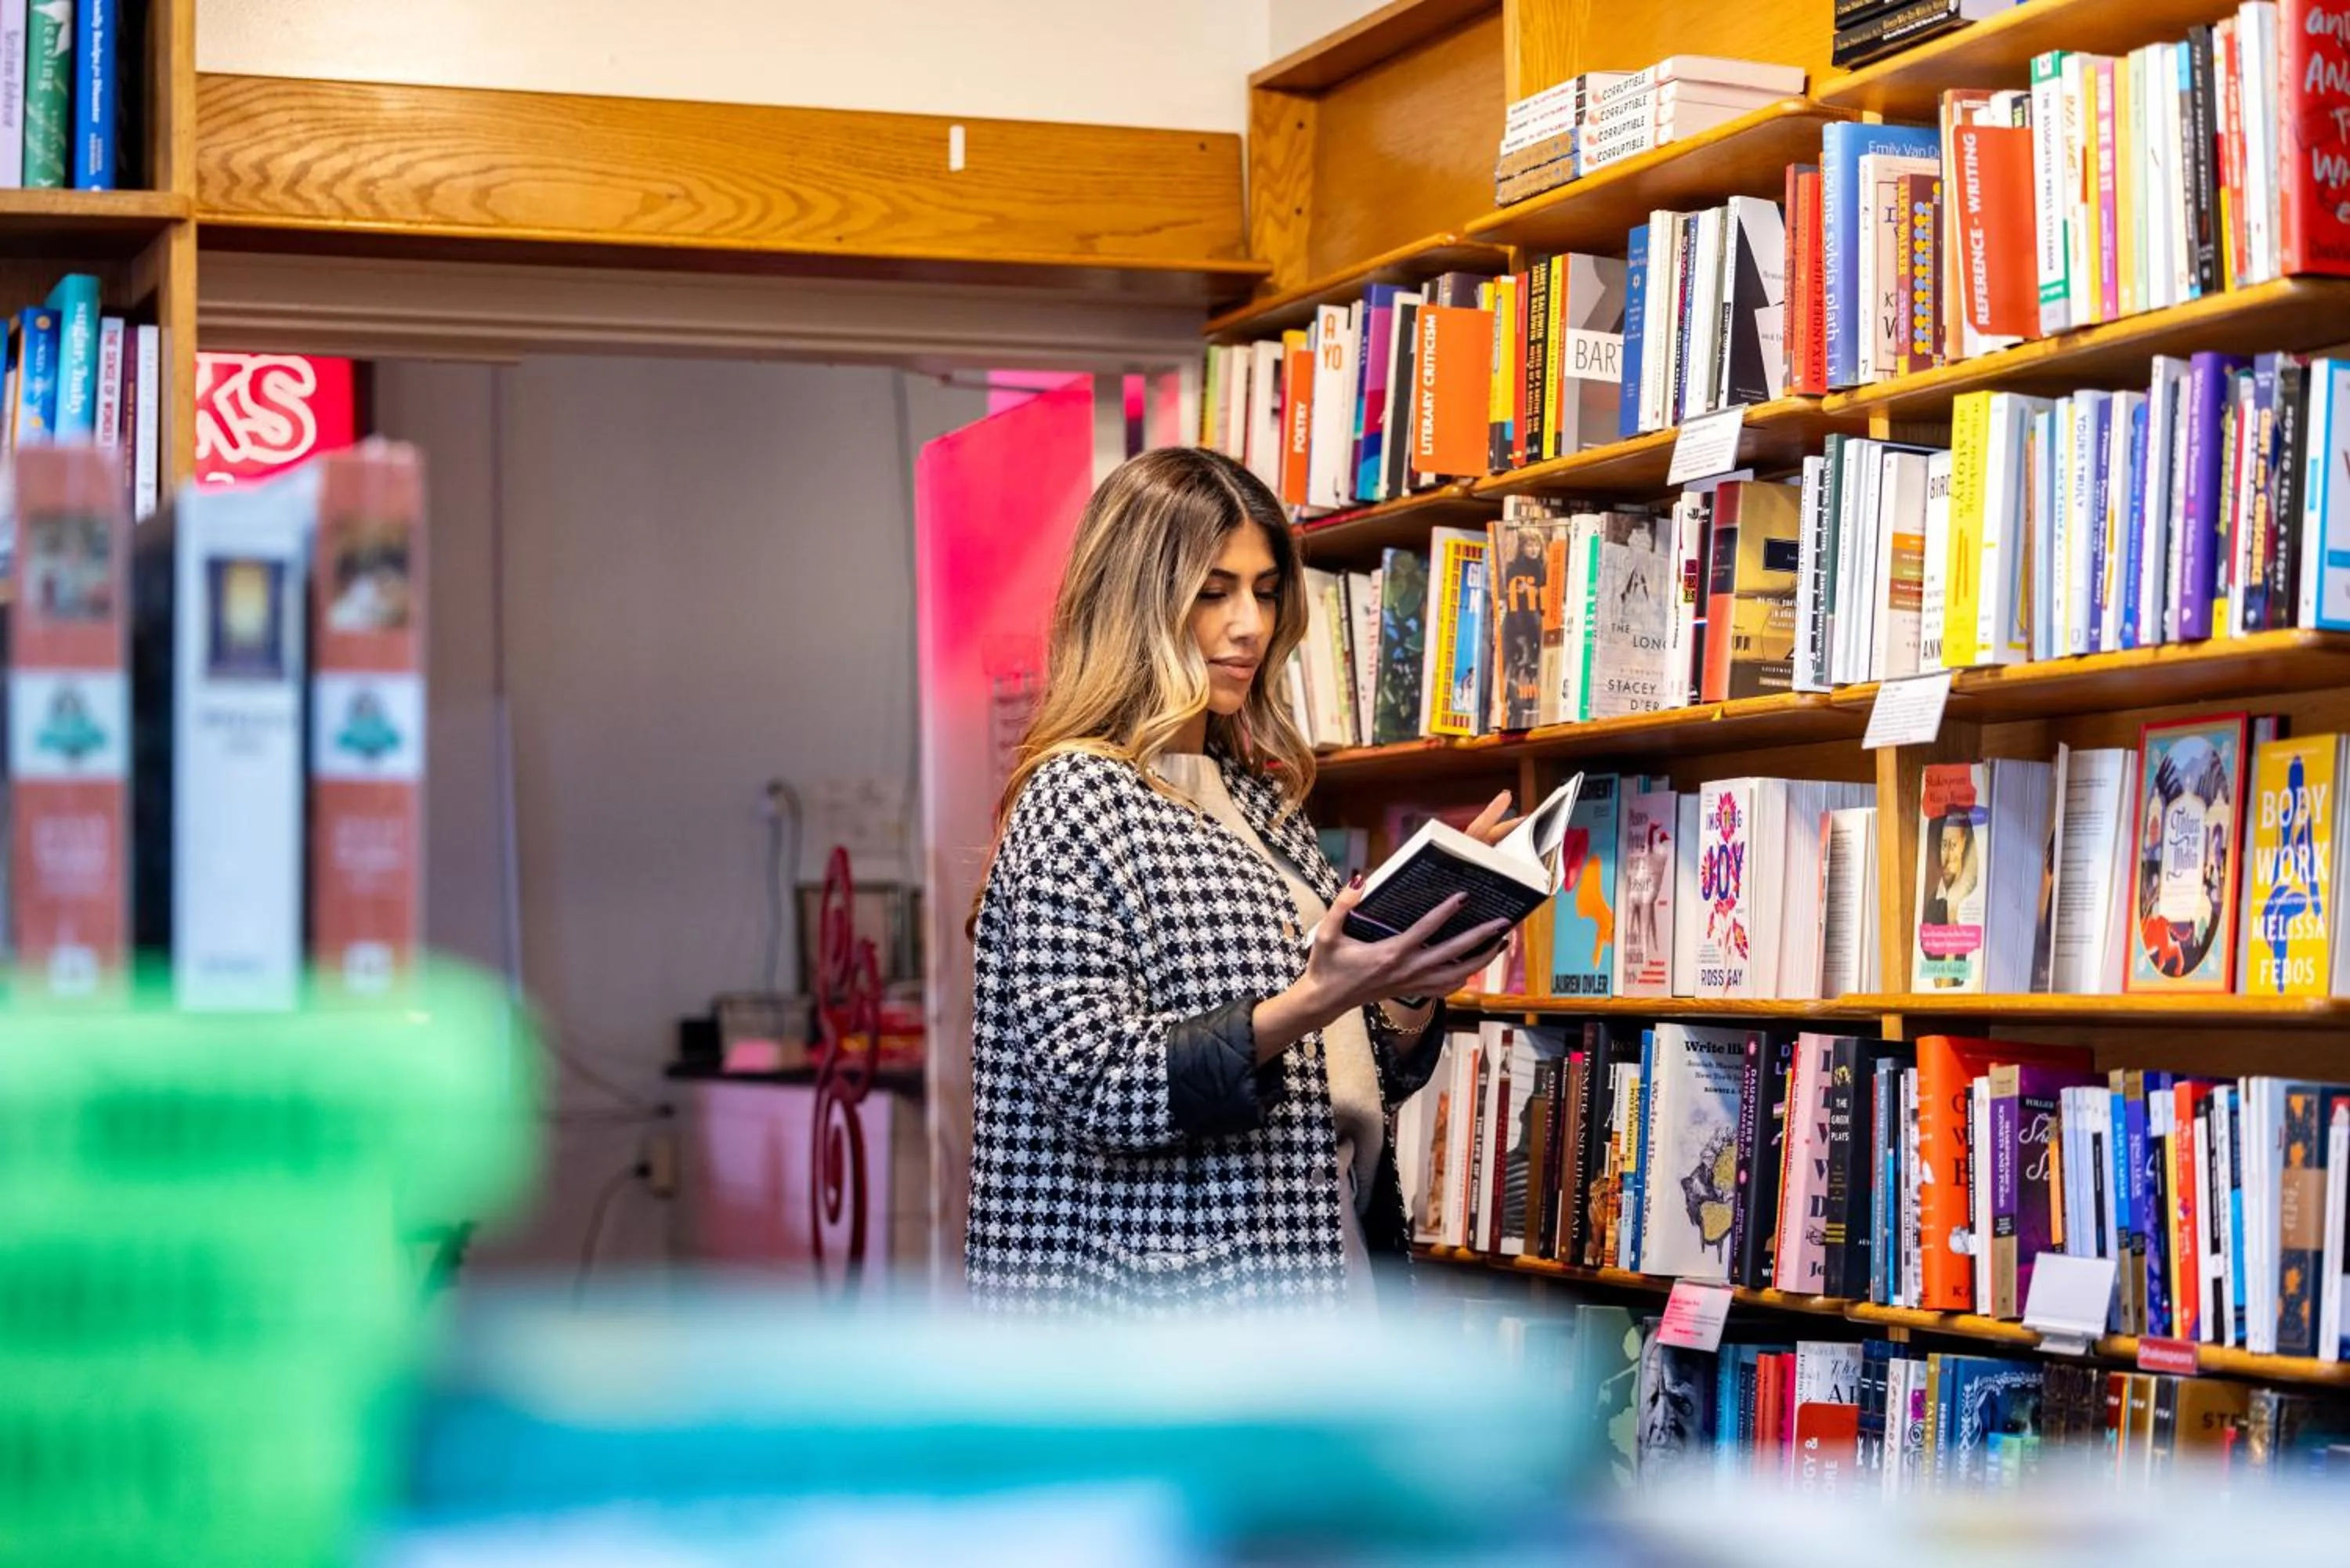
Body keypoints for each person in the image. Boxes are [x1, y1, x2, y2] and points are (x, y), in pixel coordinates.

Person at [965, 447, 1514, 1316]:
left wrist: (1408, 983)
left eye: (1264, 591)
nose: (1250, 623)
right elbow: (1096, 1082)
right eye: (1214, 591)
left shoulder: (1263, 797)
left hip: (1324, 1257)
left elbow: (1341, 1070)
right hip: (1160, 1305)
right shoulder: (1076, 795)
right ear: (1139, 602)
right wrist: (1314, 999)